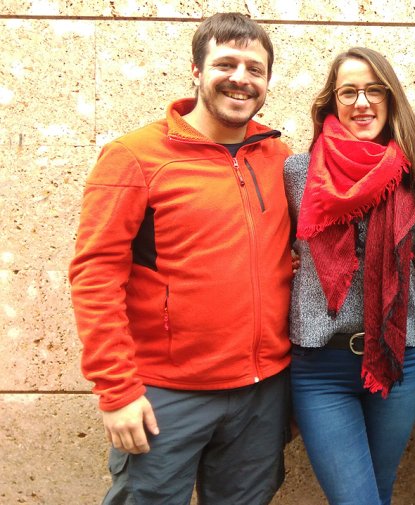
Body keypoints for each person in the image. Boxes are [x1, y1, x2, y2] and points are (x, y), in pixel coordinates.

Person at [68, 13, 293, 505]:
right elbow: (95, 277)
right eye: (226, 63)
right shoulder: (135, 157)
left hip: (262, 394)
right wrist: (117, 390)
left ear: (268, 80)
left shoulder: (280, 158)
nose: (241, 78)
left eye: (255, 69)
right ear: (196, 70)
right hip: (165, 395)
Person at [283, 47, 415, 505]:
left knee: (380, 491)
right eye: (349, 91)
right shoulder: (297, 172)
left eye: (375, 90)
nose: (362, 102)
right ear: (331, 103)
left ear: (391, 99)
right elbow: (270, 249)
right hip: (321, 366)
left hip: (401, 358)